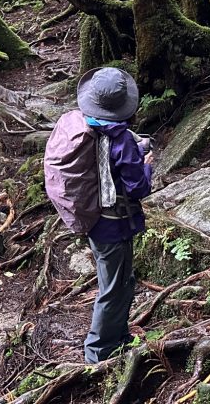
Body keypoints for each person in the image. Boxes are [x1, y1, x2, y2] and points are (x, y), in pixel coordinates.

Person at [74, 66, 154, 363]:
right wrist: (146, 163)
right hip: (114, 226)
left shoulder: (87, 126)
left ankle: (118, 336)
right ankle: (97, 353)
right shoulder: (121, 141)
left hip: (96, 221)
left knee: (122, 281)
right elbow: (138, 188)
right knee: (111, 287)